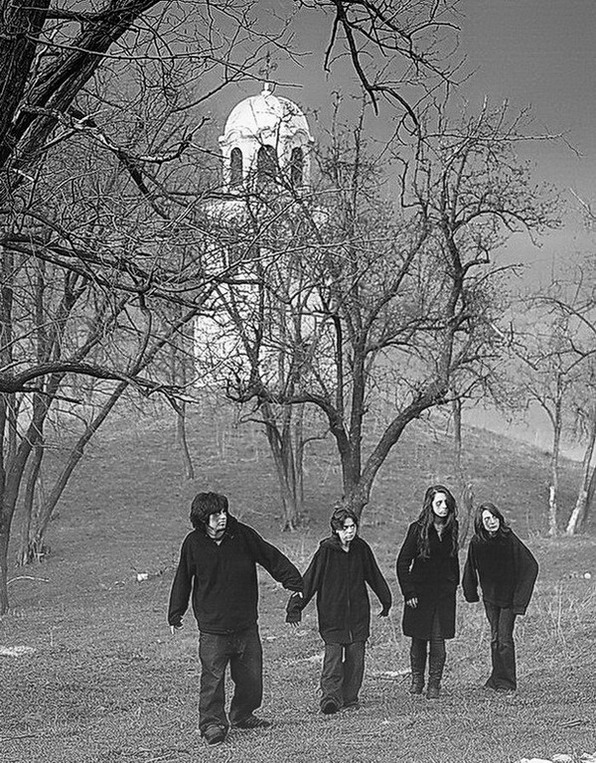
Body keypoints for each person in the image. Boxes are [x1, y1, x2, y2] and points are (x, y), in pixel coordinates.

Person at [168, 492, 303, 746]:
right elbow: (183, 577)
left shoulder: (242, 535)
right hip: (213, 628)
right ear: (202, 519)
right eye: (215, 514)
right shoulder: (193, 544)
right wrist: (176, 612)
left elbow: (270, 557)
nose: (222, 517)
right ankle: (212, 724)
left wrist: (294, 583)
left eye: (224, 512)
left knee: (251, 678)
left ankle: (242, 714)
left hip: (245, 624)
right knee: (212, 679)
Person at [286, 506, 392, 714]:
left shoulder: (361, 549)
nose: (350, 531)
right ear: (336, 529)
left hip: (358, 616)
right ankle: (331, 699)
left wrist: (385, 600)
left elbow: (374, 575)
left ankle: (350, 698)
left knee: (356, 660)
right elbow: (310, 580)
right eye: (345, 528)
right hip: (332, 616)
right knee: (333, 660)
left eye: (353, 527)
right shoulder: (326, 551)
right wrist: (295, 607)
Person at [462, 502, 539, 694]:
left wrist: (520, 599)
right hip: (490, 598)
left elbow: (531, 566)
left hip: (509, 599)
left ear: (499, 518)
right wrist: (470, 593)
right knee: (495, 638)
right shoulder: (477, 543)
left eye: (494, 517)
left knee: (504, 638)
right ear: (480, 523)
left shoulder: (508, 538)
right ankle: (496, 679)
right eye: (486, 519)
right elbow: (470, 567)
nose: (492, 521)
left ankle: (507, 683)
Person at [396, 485, 460, 699]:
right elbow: (403, 562)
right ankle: (417, 681)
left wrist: (454, 584)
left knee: (438, 641)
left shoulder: (452, 527)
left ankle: (434, 684)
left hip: (443, 596)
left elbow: (453, 559)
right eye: (438, 503)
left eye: (446, 502)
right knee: (419, 639)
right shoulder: (417, 529)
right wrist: (409, 592)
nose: (443, 507)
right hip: (419, 595)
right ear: (430, 505)